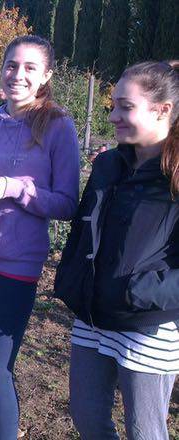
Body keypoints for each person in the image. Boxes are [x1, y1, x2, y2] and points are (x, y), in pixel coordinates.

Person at [0, 35, 80, 439]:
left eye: (29, 68)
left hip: (17, 264)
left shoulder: (58, 127)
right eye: (11, 65)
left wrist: (13, 187)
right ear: (1, 69)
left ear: (45, 76)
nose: (17, 75)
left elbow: (67, 202)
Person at [55, 60, 179, 440]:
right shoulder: (109, 163)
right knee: (87, 418)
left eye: (125, 106)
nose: (112, 116)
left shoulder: (173, 174)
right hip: (92, 315)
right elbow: (81, 229)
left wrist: (142, 291)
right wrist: (71, 277)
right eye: (113, 105)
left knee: (144, 432)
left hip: (147, 324)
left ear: (163, 110)